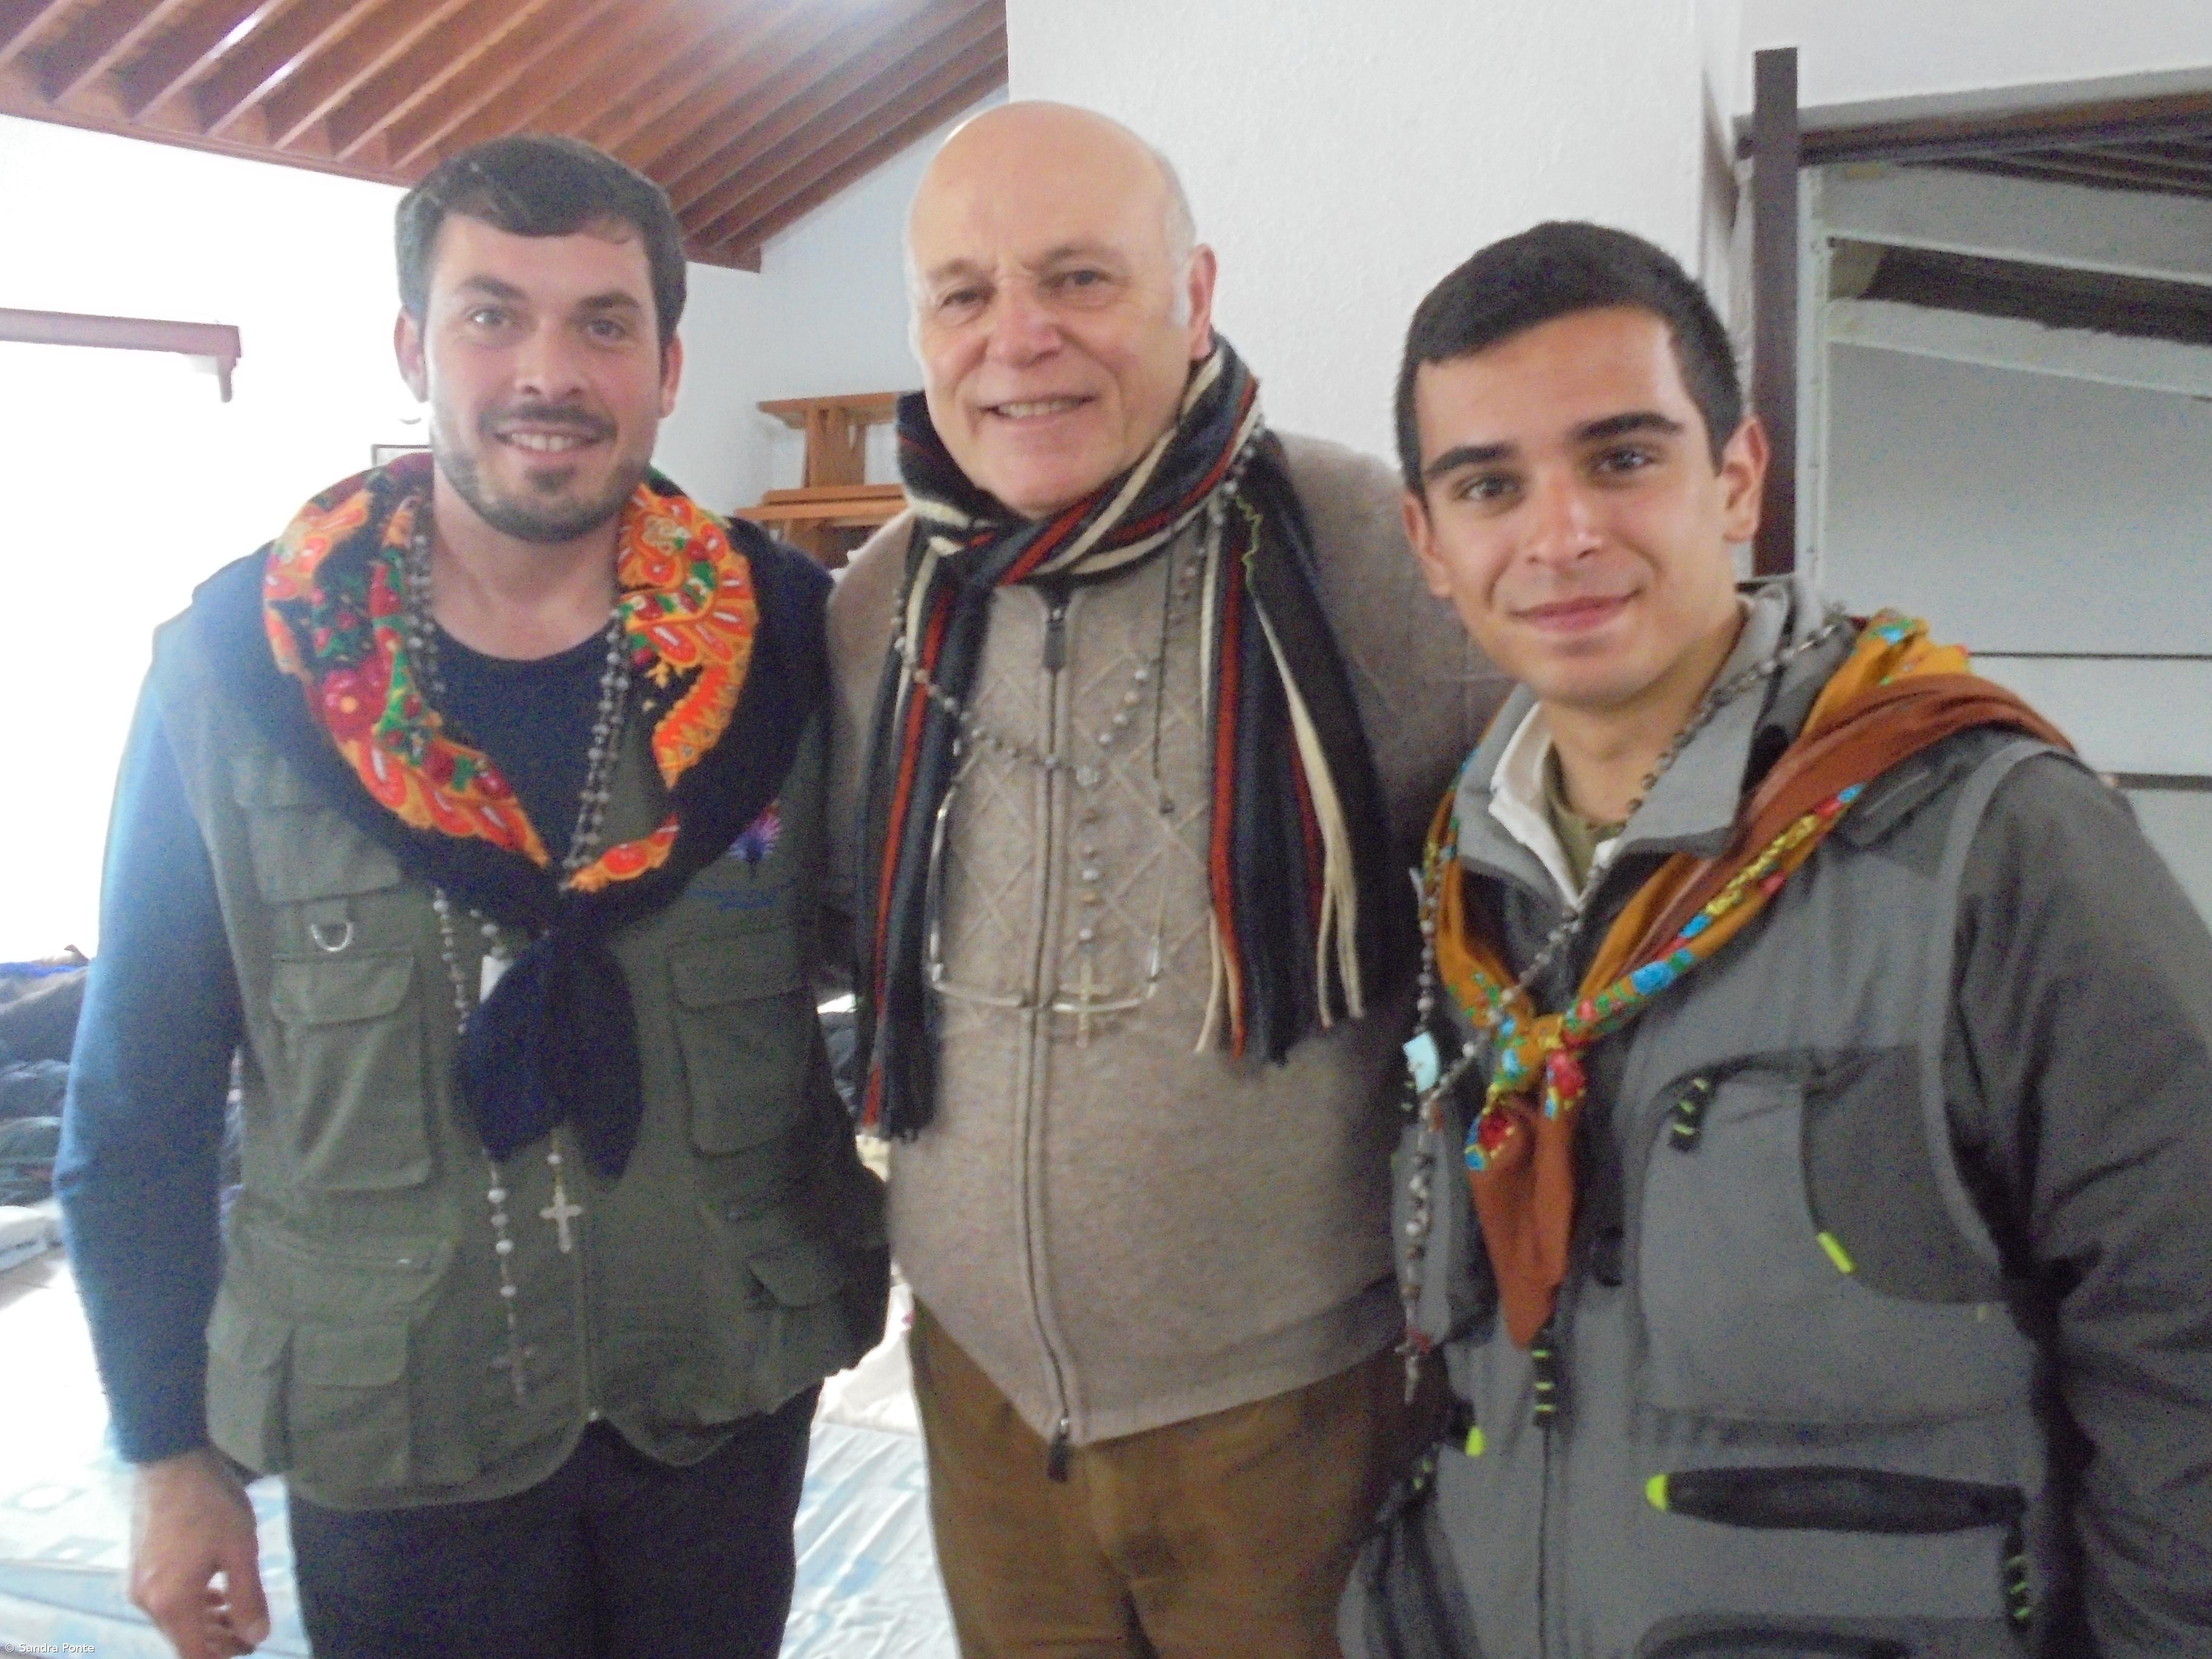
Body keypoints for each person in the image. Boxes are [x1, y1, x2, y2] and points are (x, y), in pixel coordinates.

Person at [58, 135, 886, 1659]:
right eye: (493, 314)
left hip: (718, 1400)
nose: (547, 372)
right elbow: (138, 1102)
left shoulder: (793, 648)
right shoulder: (241, 672)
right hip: (397, 1432)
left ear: (670, 360)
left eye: (602, 321)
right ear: (411, 346)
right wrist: (170, 1457)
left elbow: (918, 977)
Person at [1344, 220, 2212, 1658]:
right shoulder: (1460, 874)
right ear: (1431, 545)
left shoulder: (1996, 845)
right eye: (1492, 485)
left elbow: (2186, 1339)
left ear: (1736, 475)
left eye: (1623, 459)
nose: (1561, 536)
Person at [825, 102, 1504, 1658]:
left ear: (1193, 296)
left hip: (1298, 1414)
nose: (1019, 342)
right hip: (983, 1413)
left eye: (1079, 279)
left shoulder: (1376, 556)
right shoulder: (874, 610)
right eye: (965, 295)